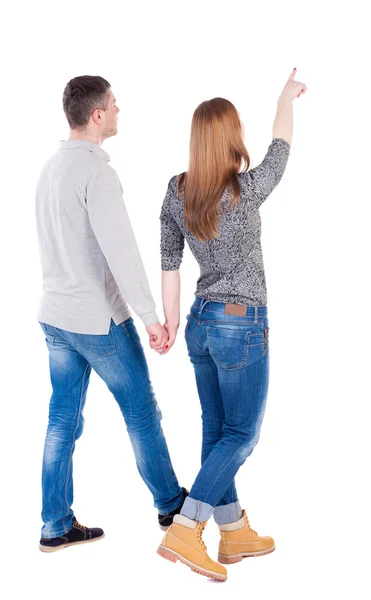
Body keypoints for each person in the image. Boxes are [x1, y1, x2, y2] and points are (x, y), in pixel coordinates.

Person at [156, 68, 307, 581]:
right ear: (229, 138)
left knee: (216, 431)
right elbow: (281, 147)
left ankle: (233, 528)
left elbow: (169, 260)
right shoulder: (245, 190)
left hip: (200, 324)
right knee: (241, 434)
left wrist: (171, 322)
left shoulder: (177, 192)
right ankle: (186, 527)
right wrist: (286, 98)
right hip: (240, 325)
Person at [35, 75, 188, 553]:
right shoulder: (96, 173)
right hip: (99, 321)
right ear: (97, 115)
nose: (119, 112)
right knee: (142, 413)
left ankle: (54, 525)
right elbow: (120, 252)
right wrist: (150, 317)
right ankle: (171, 505)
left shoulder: (50, 168)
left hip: (56, 315)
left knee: (62, 420)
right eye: (115, 106)